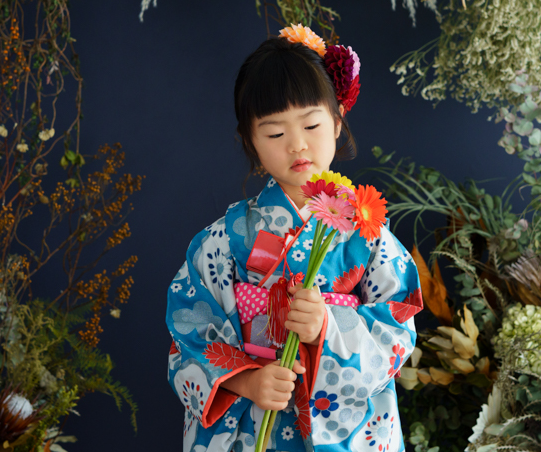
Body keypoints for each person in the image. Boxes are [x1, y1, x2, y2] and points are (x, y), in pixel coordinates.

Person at [167, 26, 423, 452]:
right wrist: (247, 381)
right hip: (254, 421)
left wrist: (327, 326)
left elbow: (397, 327)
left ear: (338, 122)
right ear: (250, 140)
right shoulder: (223, 241)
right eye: (274, 133)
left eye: (311, 124)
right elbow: (186, 333)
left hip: (344, 427)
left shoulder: (369, 233)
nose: (297, 144)